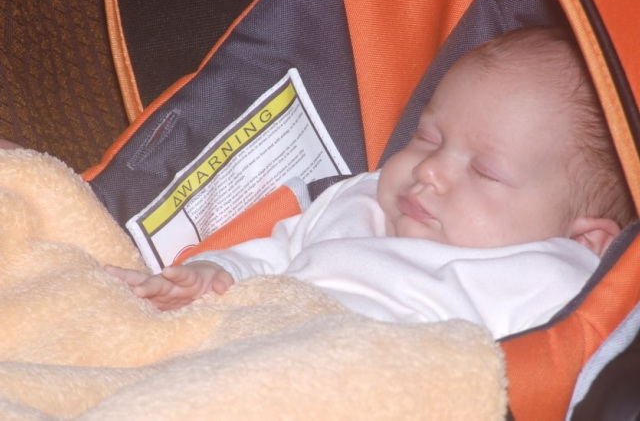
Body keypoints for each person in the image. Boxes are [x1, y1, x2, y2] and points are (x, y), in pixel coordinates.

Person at [106, 26, 635, 339]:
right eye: (427, 138)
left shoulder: (552, 276)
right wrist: (214, 274)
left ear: (586, 243)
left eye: (484, 171)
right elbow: (275, 254)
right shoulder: (360, 199)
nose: (429, 170)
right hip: (257, 341)